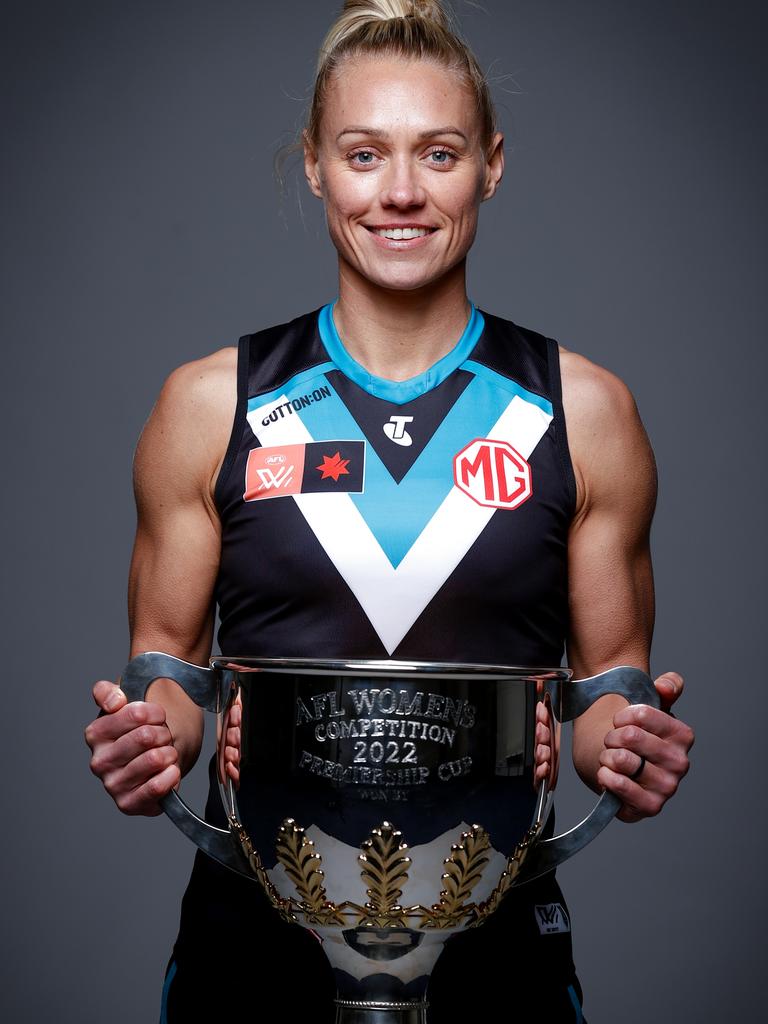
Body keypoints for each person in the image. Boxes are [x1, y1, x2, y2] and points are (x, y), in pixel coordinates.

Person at [84, 2, 694, 1020]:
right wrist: (149, 738)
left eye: (440, 154)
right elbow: (171, 680)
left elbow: (603, 703)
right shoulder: (210, 405)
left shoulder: (581, 412)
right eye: (365, 155)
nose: (402, 192)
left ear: (492, 165)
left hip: (497, 935)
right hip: (253, 939)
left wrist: (629, 743)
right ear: (316, 164)